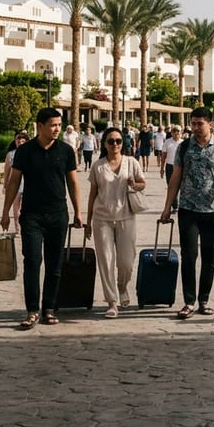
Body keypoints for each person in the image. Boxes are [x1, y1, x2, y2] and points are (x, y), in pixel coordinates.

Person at [0, 108, 83, 330]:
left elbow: (73, 183)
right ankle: (32, 310)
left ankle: (49, 308)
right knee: (33, 261)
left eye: (59, 124)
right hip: (31, 215)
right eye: (53, 125)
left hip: (58, 213)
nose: (57, 129)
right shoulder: (25, 151)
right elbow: (14, 182)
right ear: (39, 126)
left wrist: (78, 212)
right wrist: (6, 211)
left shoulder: (66, 151)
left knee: (55, 264)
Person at [160, 108, 214, 319]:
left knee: (209, 257)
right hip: (188, 209)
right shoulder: (184, 147)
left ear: (209, 124)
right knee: (189, 256)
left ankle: (204, 300)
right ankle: (189, 301)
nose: (195, 128)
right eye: (193, 124)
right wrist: (167, 207)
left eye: (199, 124)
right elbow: (175, 178)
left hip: (213, 210)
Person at [85, 127, 146, 318]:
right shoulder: (98, 166)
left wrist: (134, 185)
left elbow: (142, 183)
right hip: (102, 218)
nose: (115, 144)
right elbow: (93, 193)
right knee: (106, 261)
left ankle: (122, 286)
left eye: (118, 141)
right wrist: (88, 220)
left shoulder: (131, 162)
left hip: (126, 217)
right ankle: (112, 302)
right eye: (110, 141)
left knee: (126, 262)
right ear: (104, 144)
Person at [3, 131, 30, 224]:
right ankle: (17, 227)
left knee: (26, 208)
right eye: (18, 141)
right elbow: (7, 171)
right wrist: (5, 185)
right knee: (16, 207)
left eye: (23, 141)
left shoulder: (31, 154)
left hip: (28, 185)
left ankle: (25, 226)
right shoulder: (10, 154)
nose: (20, 143)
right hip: (15, 185)